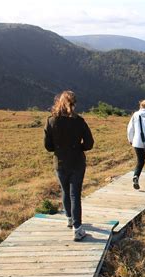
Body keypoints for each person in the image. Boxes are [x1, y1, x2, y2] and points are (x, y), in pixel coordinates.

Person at [44, 91, 94, 241]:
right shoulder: (79, 121)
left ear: (59, 102)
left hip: (60, 162)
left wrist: (59, 149)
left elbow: (48, 146)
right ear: (74, 104)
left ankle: (69, 219)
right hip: (77, 161)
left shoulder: (51, 121)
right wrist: (79, 148)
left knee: (65, 191)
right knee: (75, 194)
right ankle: (77, 229)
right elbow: (89, 143)